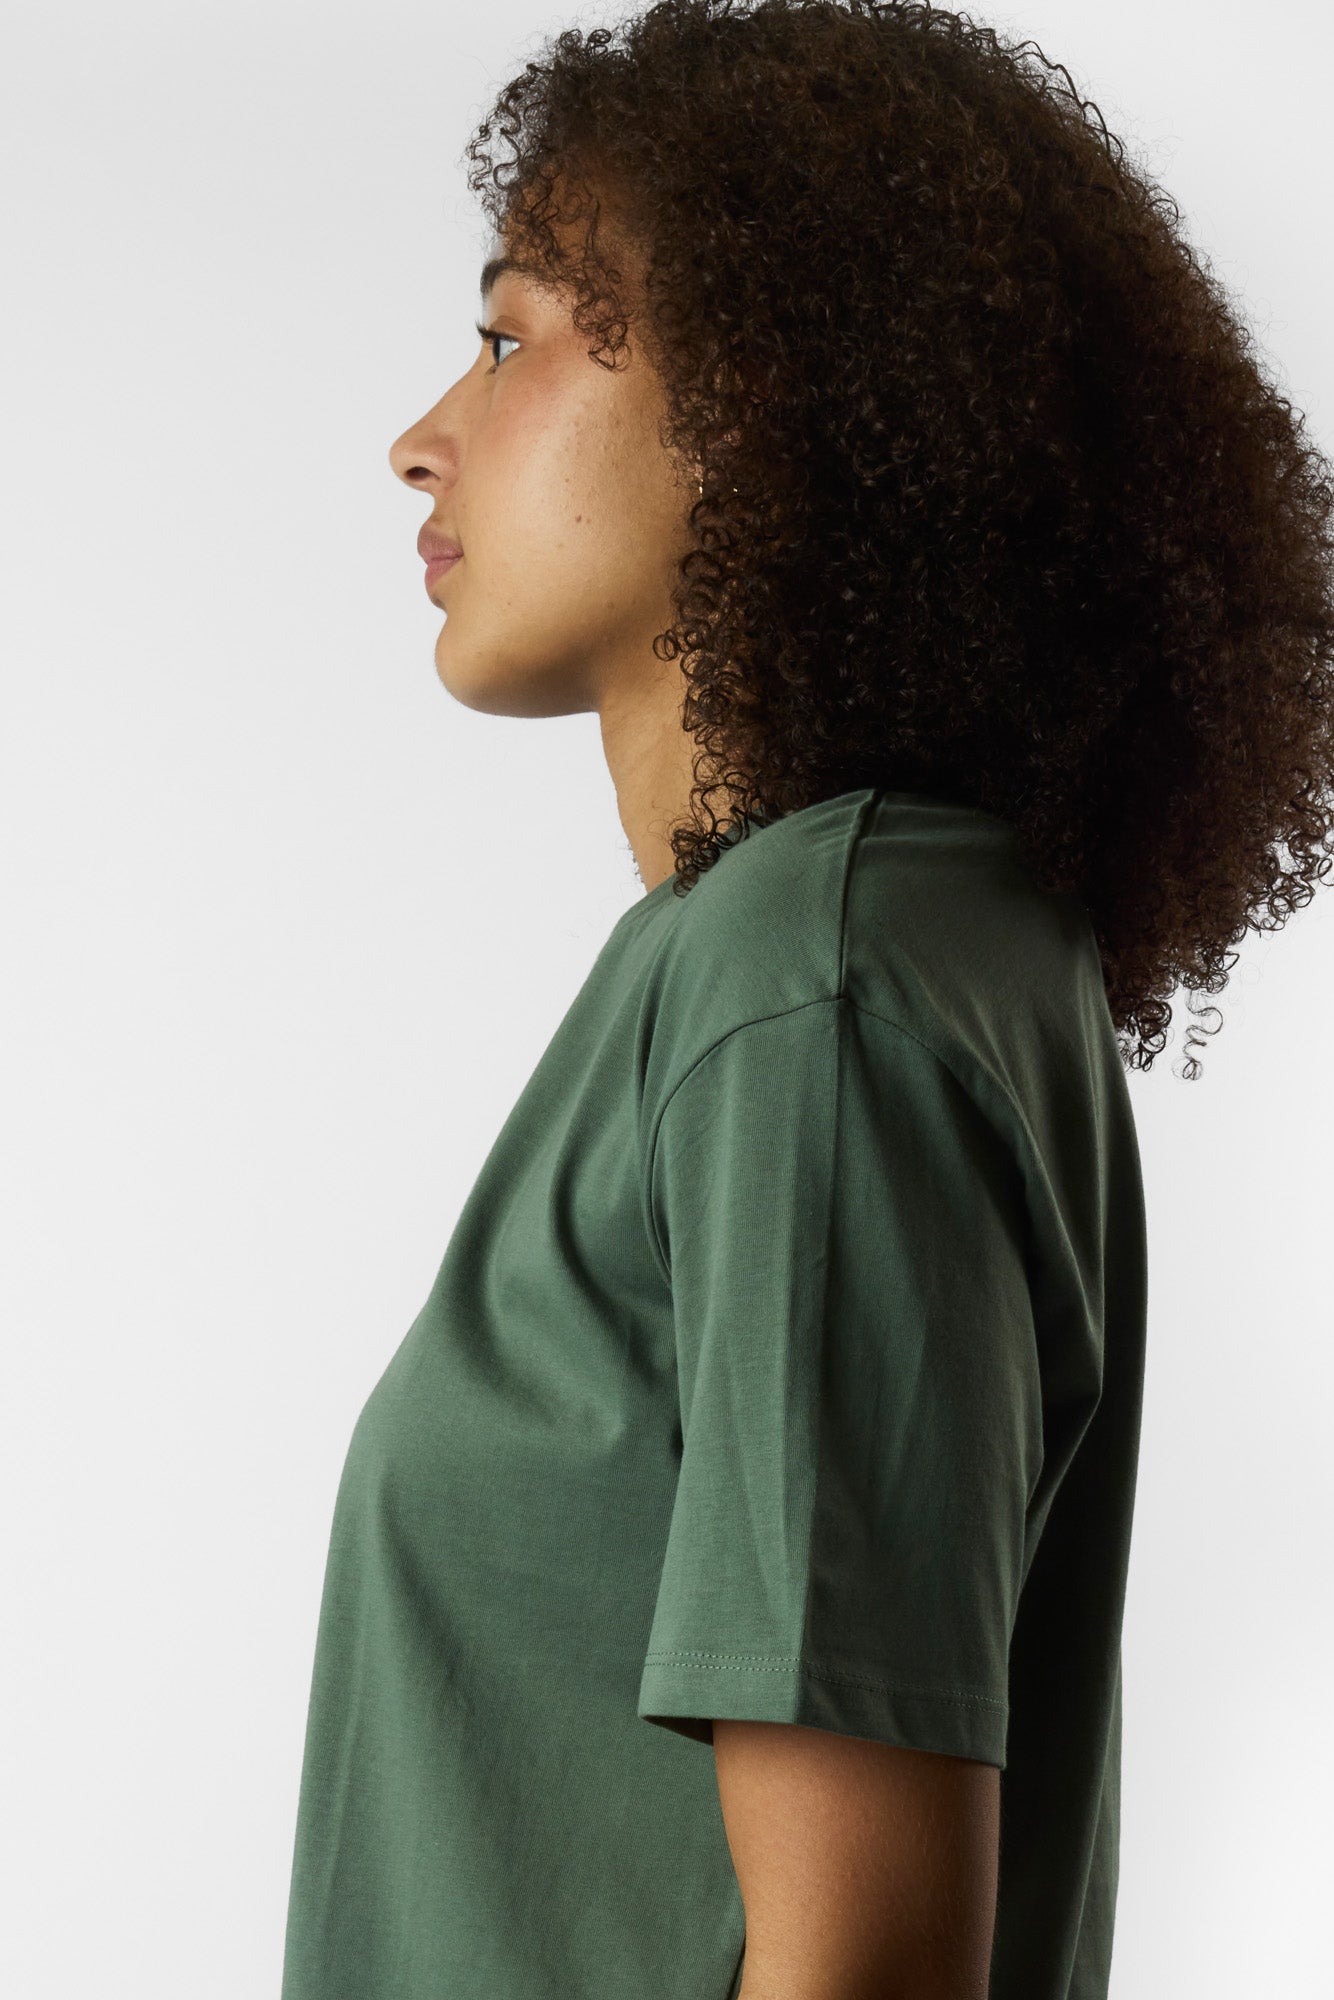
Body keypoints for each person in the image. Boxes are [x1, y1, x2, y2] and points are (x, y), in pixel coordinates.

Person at [279, 4, 1334, 1997]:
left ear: (758, 395)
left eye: (507, 339)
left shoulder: (816, 974)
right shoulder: (829, 948)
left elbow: (866, 1962)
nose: (422, 433)